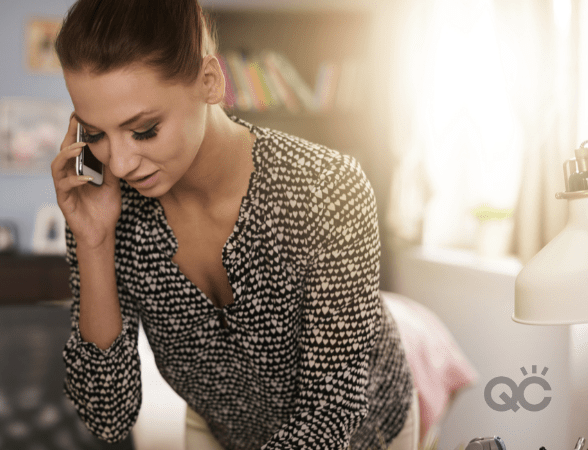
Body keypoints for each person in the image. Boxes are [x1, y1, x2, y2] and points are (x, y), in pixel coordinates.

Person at [49, 0, 416, 448]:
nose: (121, 164)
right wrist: (94, 241)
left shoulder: (326, 187)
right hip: (224, 432)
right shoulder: (103, 206)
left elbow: (330, 408)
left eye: (144, 130)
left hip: (362, 433)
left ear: (209, 81)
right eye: (97, 134)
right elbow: (107, 416)